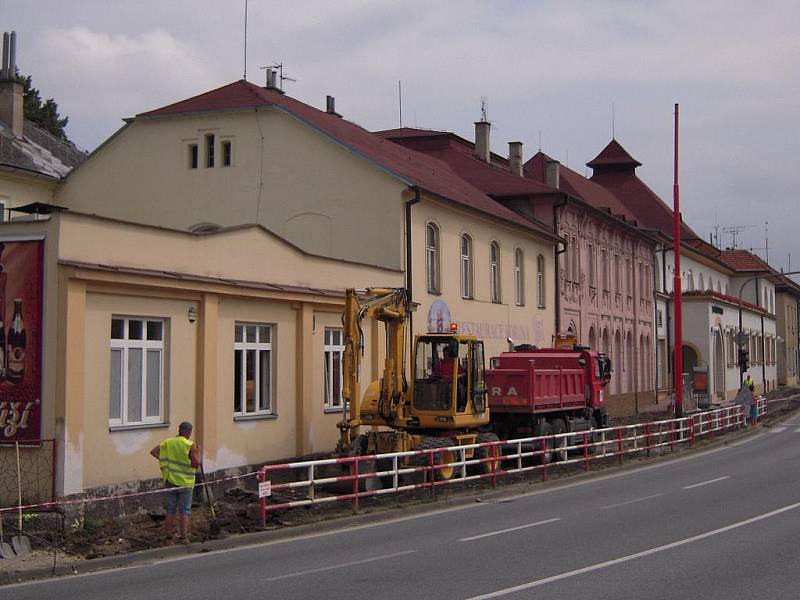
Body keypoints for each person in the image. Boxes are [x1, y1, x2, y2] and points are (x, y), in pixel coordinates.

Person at [150, 421, 201, 543]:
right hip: (185, 483)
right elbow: (196, 464)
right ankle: (184, 538)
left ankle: (168, 538)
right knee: (184, 511)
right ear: (188, 432)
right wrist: (198, 452)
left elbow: (153, 452)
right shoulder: (190, 445)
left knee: (170, 510)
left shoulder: (169, 442)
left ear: (179, 431)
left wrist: (164, 461)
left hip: (170, 481)